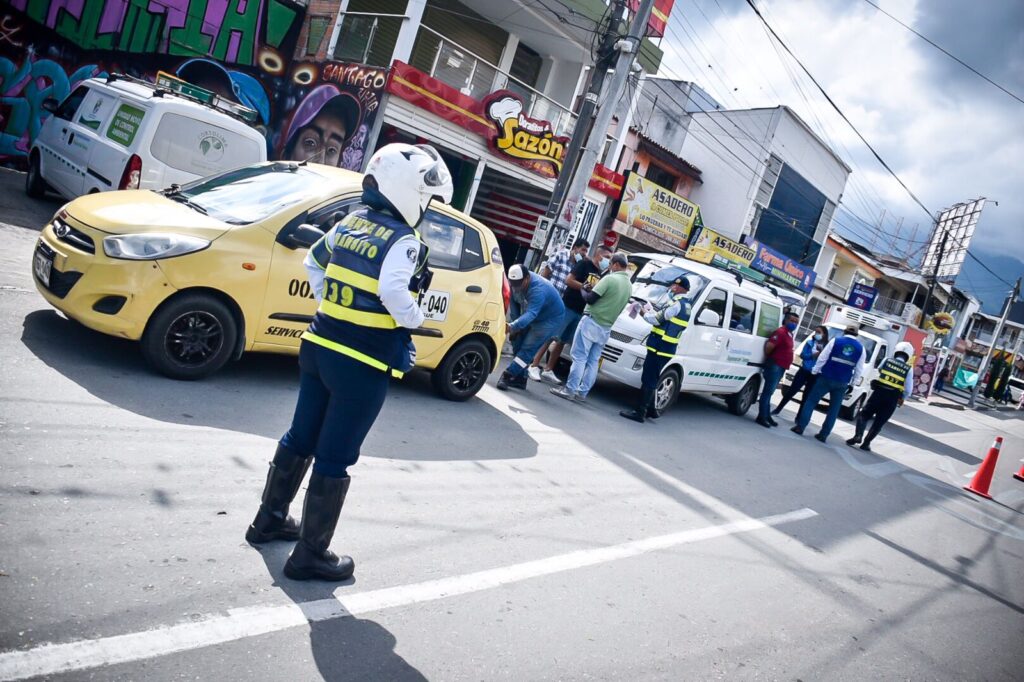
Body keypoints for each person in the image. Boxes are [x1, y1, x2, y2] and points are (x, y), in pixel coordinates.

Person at [245, 143, 453, 582]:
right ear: (406, 190)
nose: (428, 205)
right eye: (427, 196)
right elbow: (396, 293)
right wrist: (416, 318)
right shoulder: (404, 240)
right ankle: (309, 555)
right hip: (362, 362)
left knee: (300, 435)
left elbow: (313, 262)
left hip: (319, 345)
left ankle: (268, 520)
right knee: (335, 456)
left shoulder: (351, 221)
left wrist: (331, 305)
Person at [551, 253, 633, 402]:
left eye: (610, 264)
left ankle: (569, 389)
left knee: (579, 357)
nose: (608, 266)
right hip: (606, 327)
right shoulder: (629, 286)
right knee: (593, 361)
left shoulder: (609, 279)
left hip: (592, 320)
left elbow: (590, 299)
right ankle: (582, 393)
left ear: (615, 265)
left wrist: (584, 288)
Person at [528, 245, 611, 384]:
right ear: (599, 255)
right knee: (551, 336)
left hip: (581, 310)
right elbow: (569, 280)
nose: (608, 261)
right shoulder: (584, 264)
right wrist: (584, 286)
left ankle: (548, 369)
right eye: (607, 257)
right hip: (567, 306)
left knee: (563, 341)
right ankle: (534, 365)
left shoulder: (601, 273)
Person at [620, 276, 691, 423]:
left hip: (660, 347)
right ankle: (649, 410)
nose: (671, 288)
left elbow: (657, 320)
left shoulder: (676, 304)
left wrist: (642, 312)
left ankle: (639, 412)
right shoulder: (686, 305)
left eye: (673, 286)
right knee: (652, 378)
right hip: (666, 347)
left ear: (679, 288)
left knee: (649, 379)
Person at [497, 264, 566, 391]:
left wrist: (513, 326)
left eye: (518, 284)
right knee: (517, 343)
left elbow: (531, 314)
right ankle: (520, 379)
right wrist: (514, 326)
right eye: (513, 284)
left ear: (527, 278)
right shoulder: (515, 284)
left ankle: (507, 376)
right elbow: (515, 308)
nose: (515, 288)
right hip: (531, 314)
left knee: (528, 348)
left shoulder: (538, 290)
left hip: (549, 319)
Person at [792, 325, 865, 443]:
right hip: (842, 382)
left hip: (826, 377)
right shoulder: (861, 349)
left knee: (811, 401)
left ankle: (800, 427)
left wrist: (815, 370)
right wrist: (853, 383)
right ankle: (823, 435)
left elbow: (822, 357)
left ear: (844, 331)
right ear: (856, 335)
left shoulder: (835, 341)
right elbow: (859, 369)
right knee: (834, 409)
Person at [846, 342, 914, 451]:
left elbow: (880, 370)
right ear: (909, 355)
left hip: (878, 393)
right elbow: (909, 389)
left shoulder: (887, 360)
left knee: (864, 414)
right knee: (879, 422)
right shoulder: (909, 368)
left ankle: (858, 436)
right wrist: (903, 398)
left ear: (896, 351)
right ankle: (866, 444)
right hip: (892, 398)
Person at [755, 311, 800, 428]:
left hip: (781, 367)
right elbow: (769, 346)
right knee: (767, 392)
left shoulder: (789, 334)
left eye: (796, 322)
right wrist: (772, 358)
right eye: (792, 321)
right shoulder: (780, 332)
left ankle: (766, 415)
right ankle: (762, 417)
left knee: (770, 393)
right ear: (786, 320)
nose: (794, 324)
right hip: (775, 365)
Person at [774, 325, 829, 414]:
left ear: (824, 334)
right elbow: (803, 355)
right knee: (792, 390)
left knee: (806, 396)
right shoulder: (809, 343)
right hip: (804, 370)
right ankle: (778, 409)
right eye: (816, 332)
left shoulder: (827, 347)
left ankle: (799, 417)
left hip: (815, 374)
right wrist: (812, 355)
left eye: (819, 332)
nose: (816, 334)